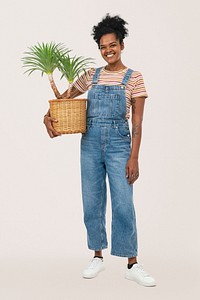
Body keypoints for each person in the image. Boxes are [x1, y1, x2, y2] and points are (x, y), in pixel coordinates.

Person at [43, 14, 156, 287]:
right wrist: (48, 115)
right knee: (92, 202)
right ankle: (97, 255)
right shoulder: (91, 75)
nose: (108, 50)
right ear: (99, 49)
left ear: (122, 44)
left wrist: (134, 157)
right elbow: (65, 100)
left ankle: (132, 263)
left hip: (120, 145)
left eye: (113, 45)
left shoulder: (134, 78)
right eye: (103, 47)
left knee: (123, 204)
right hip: (90, 144)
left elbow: (137, 122)